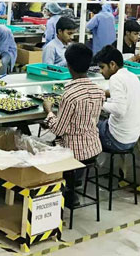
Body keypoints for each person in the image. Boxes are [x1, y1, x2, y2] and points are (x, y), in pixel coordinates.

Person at [46, 44, 105, 208]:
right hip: (93, 147)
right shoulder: (99, 91)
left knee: (42, 144)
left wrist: (49, 112)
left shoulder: (70, 95)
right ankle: (74, 182)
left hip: (73, 151)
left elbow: (59, 129)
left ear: (68, 66)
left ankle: (65, 191)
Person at [95, 46, 140, 153]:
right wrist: (104, 93)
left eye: (102, 67)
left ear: (112, 64)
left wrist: (97, 103)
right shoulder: (132, 76)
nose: (100, 71)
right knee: (102, 120)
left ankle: (82, 161)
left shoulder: (115, 78)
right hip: (133, 139)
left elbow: (119, 109)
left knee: (86, 125)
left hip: (116, 140)